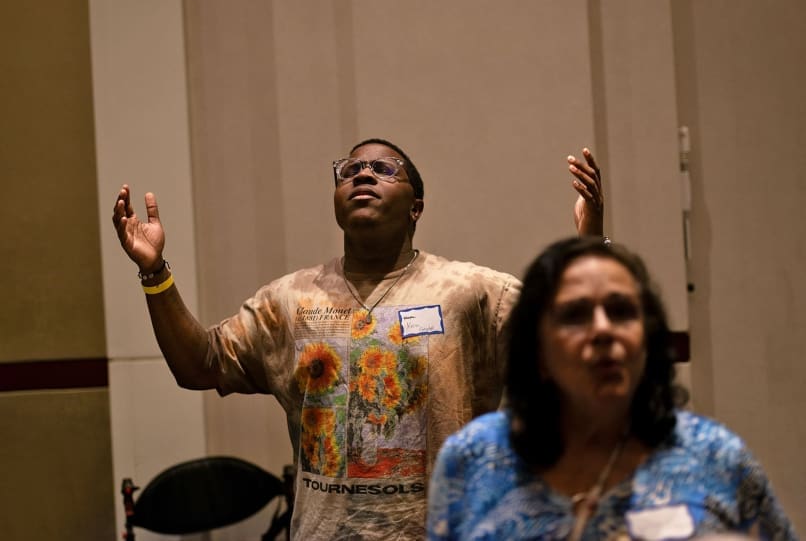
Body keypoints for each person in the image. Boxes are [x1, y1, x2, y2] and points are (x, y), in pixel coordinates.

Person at [112, 138, 604, 540]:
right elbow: (198, 365)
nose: (362, 175)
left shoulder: (469, 291)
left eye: (384, 169)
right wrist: (155, 274)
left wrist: (590, 247)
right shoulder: (291, 299)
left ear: (416, 207)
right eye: (349, 170)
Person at [427, 237, 797, 540]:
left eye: (621, 311)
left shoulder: (716, 456)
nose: (603, 329)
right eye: (575, 314)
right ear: (537, 351)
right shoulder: (472, 458)